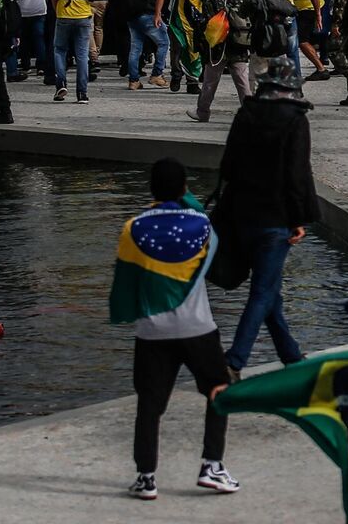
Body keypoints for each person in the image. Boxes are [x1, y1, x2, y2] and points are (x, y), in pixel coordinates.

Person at [114, 158, 241, 501]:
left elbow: (125, 285)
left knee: (149, 406)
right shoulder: (202, 226)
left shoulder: (133, 228)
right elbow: (219, 264)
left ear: (150, 189)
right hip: (197, 327)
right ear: (184, 187)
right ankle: (212, 466)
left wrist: (126, 315)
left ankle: (146, 477)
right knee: (219, 392)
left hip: (152, 332)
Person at [219, 55, 316, 378]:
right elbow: (297, 174)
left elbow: (228, 165)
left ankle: (290, 355)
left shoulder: (246, 113)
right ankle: (234, 361)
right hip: (276, 217)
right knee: (263, 291)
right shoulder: (295, 118)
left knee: (269, 290)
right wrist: (298, 219)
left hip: (243, 212)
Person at [50, 0, 98, 102]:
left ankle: (61, 83)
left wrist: (57, 10)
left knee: (59, 50)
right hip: (83, 13)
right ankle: (82, 93)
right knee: (82, 54)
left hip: (64, 11)